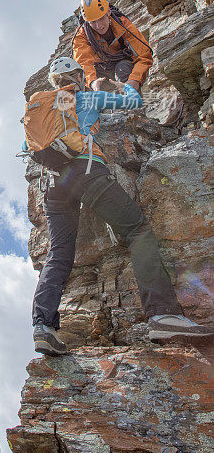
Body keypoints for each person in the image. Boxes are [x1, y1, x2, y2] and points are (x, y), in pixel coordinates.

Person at [30, 56, 214, 356]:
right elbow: (132, 102)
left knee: (59, 253)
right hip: (86, 172)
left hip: (51, 185)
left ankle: (43, 327)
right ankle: (162, 314)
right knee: (137, 231)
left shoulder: (42, 105)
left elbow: (32, 148)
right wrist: (121, 85)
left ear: (54, 82)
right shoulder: (86, 97)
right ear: (77, 76)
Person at [72, 0, 153, 91]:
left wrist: (135, 80)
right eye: (93, 22)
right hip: (100, 71)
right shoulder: (81, 35)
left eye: (101, 18)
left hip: (123, 64)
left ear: (108, 12)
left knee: (123, 69)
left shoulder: (122, 24)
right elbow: (83, 63)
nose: (99, 26)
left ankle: (134, 102)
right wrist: (92, 83)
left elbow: (144, 56)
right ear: (87, 22)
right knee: (80, 85)